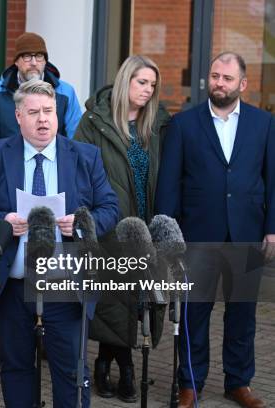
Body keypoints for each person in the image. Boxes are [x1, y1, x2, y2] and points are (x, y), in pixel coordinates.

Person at [0, 78, 118, 408]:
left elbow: (110, 208)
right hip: (13, 287)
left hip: (66, 287)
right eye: (34, 112)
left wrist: (82, 222)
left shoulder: (85, 156)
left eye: (49, 111)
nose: (43, 119)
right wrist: (2, 221)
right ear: (18, 116)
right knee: (17, 369)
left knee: (72, 372)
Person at [156, 52, 274, 408]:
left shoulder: (264, 124)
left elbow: (272, 180)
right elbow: (168, 184)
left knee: (242, 314)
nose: (219, 83)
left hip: (247, 233)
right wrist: (167, 236)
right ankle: (190, 384)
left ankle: (239, 383)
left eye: (226, 78)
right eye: (214, 76)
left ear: (243, 84)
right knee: (194, 313)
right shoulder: (184, 124)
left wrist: (272, 230)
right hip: (196, 234)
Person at [73, 55, 170, 402]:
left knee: (134, 296)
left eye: (152, 85)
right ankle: (124, 369)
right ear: (126, 80)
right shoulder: (94, 122)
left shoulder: (156, 123)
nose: (147, 91)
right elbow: (78, 173)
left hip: (144, 223)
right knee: (115, 298)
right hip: (108, 221)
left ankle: (104, 363)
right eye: (142, 82)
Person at [0, 32, 82, 143]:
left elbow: (76, 139)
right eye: (27, 56)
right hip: (7, 159)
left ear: (45, 61)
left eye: (39, 56)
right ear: (16, 61)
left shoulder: (66, 92)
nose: (34, 62)